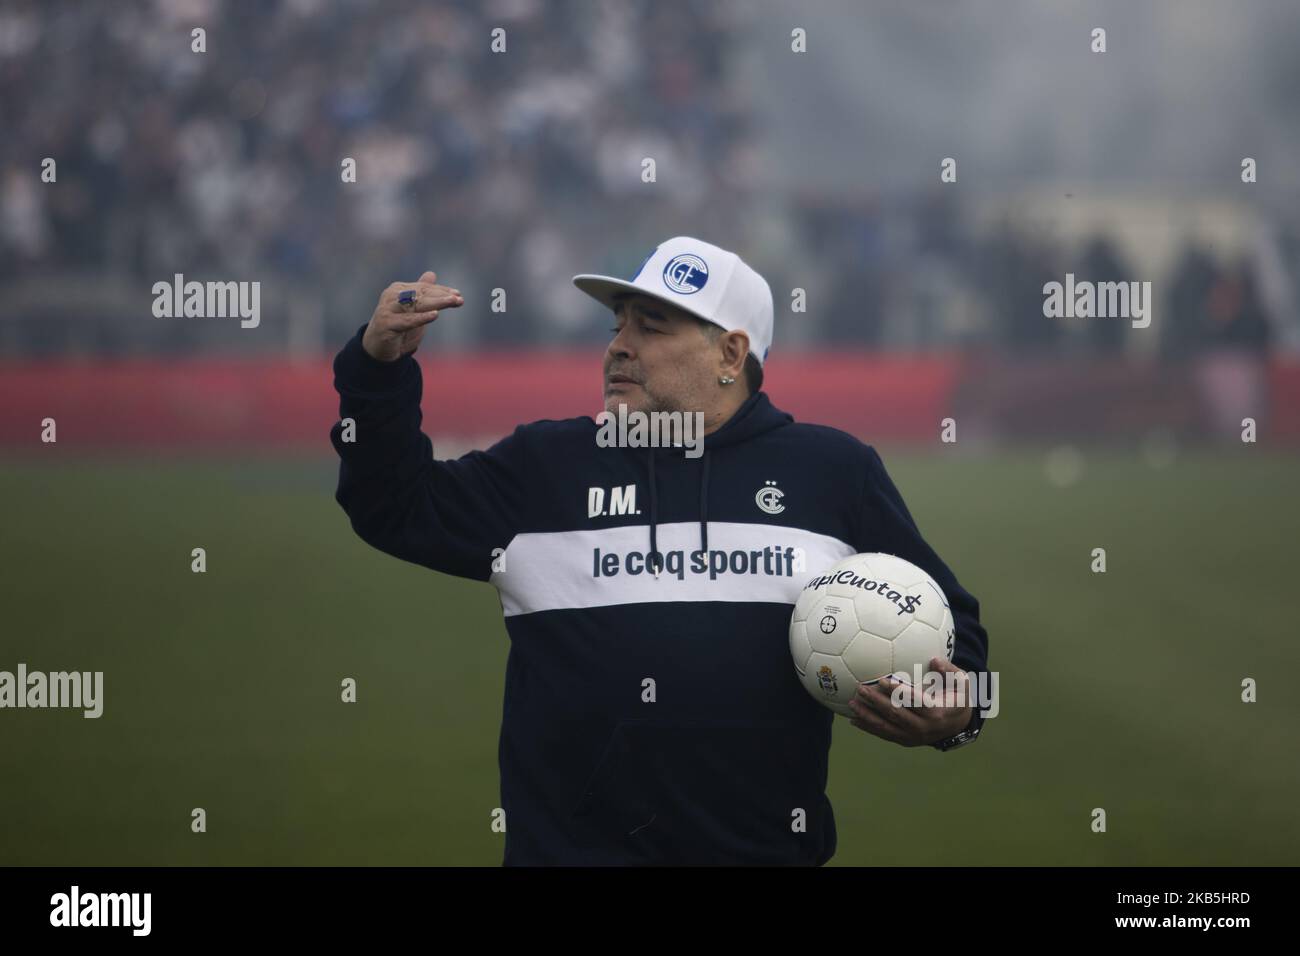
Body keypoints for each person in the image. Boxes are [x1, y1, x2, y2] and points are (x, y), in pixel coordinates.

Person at [329, 236, 990, 865]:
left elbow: (954, 630)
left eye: (651, 326)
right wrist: (378, 367)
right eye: (618, 325)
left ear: (731, 355)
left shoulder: (833, 472)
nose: (618, 347)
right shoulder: (546, 465)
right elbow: (393, 507)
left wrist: (959, 713)